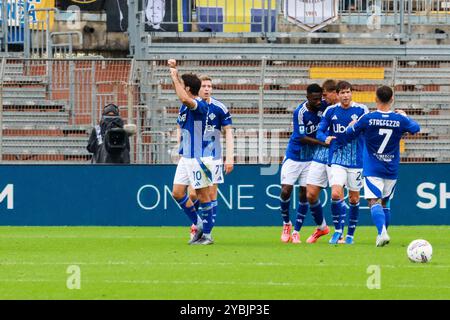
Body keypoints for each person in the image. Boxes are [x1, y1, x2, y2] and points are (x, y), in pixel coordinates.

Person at [344, 86, 420, 246]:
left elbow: (349, 133)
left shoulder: (368, 118)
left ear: (375, 99)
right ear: (392, 99)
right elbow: (415, 128)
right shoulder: (400, 119)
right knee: (385, 203)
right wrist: (406, 117)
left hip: (373, 167)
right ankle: (383, 234)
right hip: (391, 168)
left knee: (373, 201)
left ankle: (382, 233)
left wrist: (353, 124)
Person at [168, 59, 215, 245]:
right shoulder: (186, 103)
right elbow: (181, 93)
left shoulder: (199, 105)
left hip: (200, 156)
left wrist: (174, 76)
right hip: (186, 155)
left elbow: (183, 97)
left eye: (182, 86)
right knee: (178, 193)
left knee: (203, 196)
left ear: (188, 89)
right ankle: (199, 224)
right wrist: (175, 74)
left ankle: (208, 236)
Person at [317, 81, 369, 244]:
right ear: (337, 95)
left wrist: (358, 126)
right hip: (337, 157)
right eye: (343, 93)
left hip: (356, 160)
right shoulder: (330, 110)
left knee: (354, 199)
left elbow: (368, 128)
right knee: (335, 194)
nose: (346, 95)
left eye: (348, 92)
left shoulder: (362, 110)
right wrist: (324, 138)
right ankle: (338, 231)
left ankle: (350, 235)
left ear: (351, 93)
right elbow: (320, 131)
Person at [279, 83, 330, 244]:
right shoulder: (300, 113)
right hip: (294, 156)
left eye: (320, 98)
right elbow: (301, 137)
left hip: (311, 159)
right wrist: (322, 143)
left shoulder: (325, 107)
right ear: (307, 97)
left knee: (304, 194)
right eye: (315, 99)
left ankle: (296, 232)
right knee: (286, 190)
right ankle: (286, 223)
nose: (318, 101)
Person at [187, 75, 234, 241]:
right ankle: (198, 225)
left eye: (209, 86)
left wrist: (230, 157)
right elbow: (182, 127)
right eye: (204, 86)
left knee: (212, 194)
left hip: (213, 156)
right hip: (194, 155)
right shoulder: (191, 106)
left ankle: (206, 233)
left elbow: (228, 131)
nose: (207, 89)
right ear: (198, 88)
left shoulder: (219, 107)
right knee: (193, 194)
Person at [304, 79, 340, 243]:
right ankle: (322, 227)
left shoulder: (350, 108)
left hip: (338, 155)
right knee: (310, 194)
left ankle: (340, 233)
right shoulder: (323, 107)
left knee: (337, 194)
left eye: (325, 95)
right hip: (320, 154)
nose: (322, 99)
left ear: (335, 93)